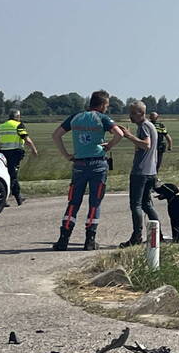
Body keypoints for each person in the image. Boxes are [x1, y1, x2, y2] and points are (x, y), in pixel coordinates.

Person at [50, 90, 124, 251]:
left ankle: (64, 239)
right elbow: (119, 134)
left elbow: (56, 135)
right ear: (103, 104)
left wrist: (66, 155)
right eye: (107, 105)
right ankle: (89, 240)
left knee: (73, 202)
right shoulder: (102, 118)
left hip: (79, 165)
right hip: (98, 164)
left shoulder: (75, 117)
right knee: (94, 202)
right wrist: (109, 145)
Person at [119, 102, 160, 248]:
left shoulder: (143, 127)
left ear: (140, 113)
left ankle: (137, 236)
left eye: (132, 113)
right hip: (151, 171)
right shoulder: (150, 126)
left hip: (141, 172)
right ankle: (157, 233)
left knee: (136, 204)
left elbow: (146, 144)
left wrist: (128, 136)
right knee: (147, 204)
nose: (129, 116)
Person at [0, 109, 38, 206]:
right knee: (13, 175)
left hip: (3, 153)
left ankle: (13, 196)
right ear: (17, 117)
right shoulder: (18, 125)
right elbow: (26, 139)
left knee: (8, 174)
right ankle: (12, 197)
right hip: (15, 152)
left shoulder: (1, 126)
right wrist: (34, 149)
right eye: (19, 116)